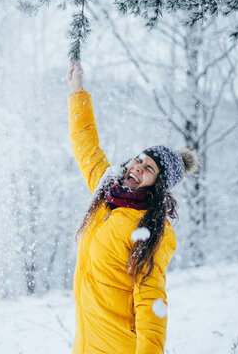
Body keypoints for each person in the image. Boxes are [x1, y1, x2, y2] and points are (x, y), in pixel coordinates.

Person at [66, 62, 198, 354]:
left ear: (156, 184)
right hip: (86, 343)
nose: (138, 167)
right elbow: (85, 145)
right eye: (140, 159)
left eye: (148, 169)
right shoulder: (108, 193)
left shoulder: (151, 229)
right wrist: (77, 92)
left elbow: (152, 301)